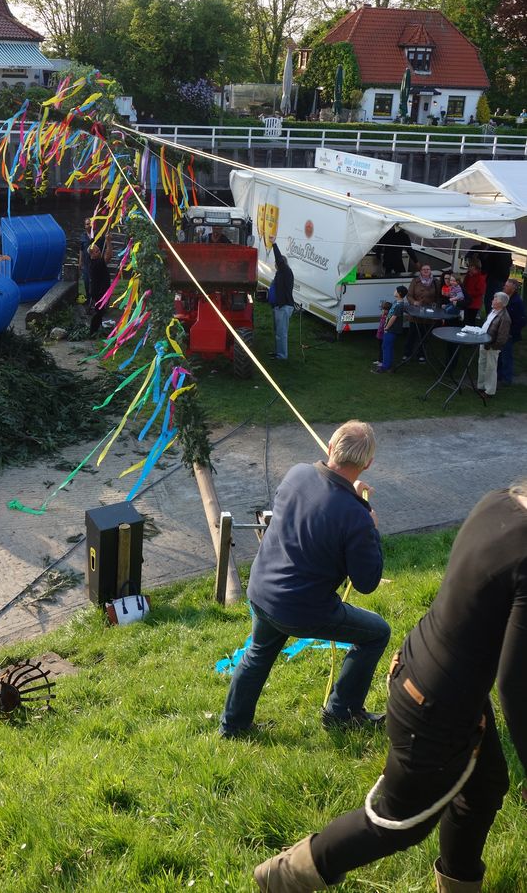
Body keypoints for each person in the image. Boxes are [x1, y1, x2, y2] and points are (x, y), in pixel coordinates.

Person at [254, 483, 527, 893]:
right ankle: (284, 875)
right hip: (436, 703)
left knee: (484, 788)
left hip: (429, 667)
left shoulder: (501, 501)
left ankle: (459, 883)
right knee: (395, 823)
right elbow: (515, 684)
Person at [220, 420, 389, 738]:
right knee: (377, 633)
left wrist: (356, 506)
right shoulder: (357, 517)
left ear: (329, 448)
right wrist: (372, 527)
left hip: (263, 588)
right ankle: (342, 713)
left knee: (258, 652)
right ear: (367, 464)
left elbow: (322, 509)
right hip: (300, 608)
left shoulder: (298, 473)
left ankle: (233, 726)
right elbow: (367, 582)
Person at [476, 291, 511, 397]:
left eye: (495, 299)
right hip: (484, 342)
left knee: (490, 368)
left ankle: (489, 391)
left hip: (492, 346)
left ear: (501, 303)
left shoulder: (505, 318)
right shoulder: (493, 311)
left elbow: (502, 337)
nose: (492, 300)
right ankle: (481, 386)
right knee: (481, 364)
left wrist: (493, 347)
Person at [403, 265, 442, 360]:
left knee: (425, 335)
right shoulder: (415, 281)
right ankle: (407, 353)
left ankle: (422, 354)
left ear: (430, 271)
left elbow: (439, 297)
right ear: (420, 271)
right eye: (424, 269)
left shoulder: (436, 282)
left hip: (429, 312)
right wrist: (414, 302)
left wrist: (436, 306)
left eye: (428, 269)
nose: (426, 271)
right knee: (412, 333)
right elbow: (409, 295)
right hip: (416, 312)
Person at [497, 278, 526, 385]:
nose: (504, 287)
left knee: (506, 356)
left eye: (507, 286)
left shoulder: (517, 302)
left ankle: (506, 378)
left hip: (509, 334)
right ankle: (499, 375)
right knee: (499, 354)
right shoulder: (505, 298)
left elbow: (522, 321)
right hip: (501, 331)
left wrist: (511, 333)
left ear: (513, 289)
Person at [373, 286, 407, 373]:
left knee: (386, 346)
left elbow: (393, 318)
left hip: (392, 329)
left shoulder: (399, 305)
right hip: (390, 329)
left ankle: (385, 366)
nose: (394, 291)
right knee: (388, 346)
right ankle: (388, 363)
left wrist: (387, 327)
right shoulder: (396, 302)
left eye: (396, 290)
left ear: (399, 293)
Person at [270, 242, 295, 360]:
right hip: (277, 307)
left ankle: (282, 356)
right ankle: (278, 353)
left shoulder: (286, 271)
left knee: (281, 333)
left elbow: (279, 259)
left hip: (284, 307)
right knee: (277, 332)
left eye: (277, 263)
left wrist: (274, 244)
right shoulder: (279, 273)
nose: (275, 264)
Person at [88, 240, 112, 337]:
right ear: (92, 254)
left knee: (101, 311)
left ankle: (97, 328)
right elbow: (109, 256)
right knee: (99, 311)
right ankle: (93, 331)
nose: (99, 252)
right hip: (98, 291)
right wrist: (108, 242)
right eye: (97, 251)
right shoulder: (96, 263)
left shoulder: (97, 261)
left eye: (99, 250)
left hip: (99, 290)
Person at [462, 259, 486, 325]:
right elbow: (464, 285)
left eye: (469, 266)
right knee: (465, 320)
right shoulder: (469, 275)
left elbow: (481, 291)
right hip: (467, 302)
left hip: (474, 304)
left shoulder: (480, 278)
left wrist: (468, 293)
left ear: (474, 267)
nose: (468, 267)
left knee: (470, 321)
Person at [79, 218, 94, 304]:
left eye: (90, 223)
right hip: (85, 262)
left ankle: (94, 298)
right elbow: (81, 249)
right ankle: (88, 299)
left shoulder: (96, 235)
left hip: (94, 262)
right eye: (87, 224)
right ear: (85, 226)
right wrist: (80, 261)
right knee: (86, 281)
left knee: (94, 280)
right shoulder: (83, 236)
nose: (89, 225)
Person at [374, 301, 391, 367]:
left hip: (383, 335)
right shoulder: (383, 316)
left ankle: (382, 361)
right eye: (382, 309)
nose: (383, 311)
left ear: (388, 310)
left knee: (383, 349)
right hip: (379, 335)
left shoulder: (388, 317)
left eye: (384, 309)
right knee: (380, 348)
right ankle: (379, 360)